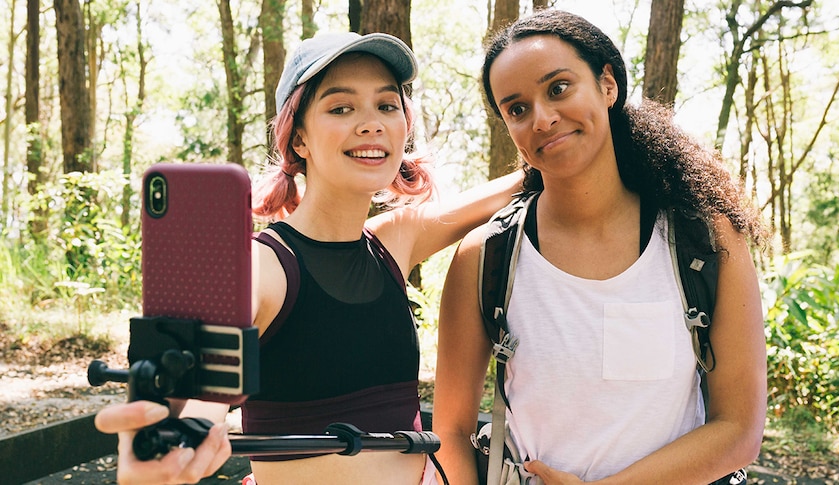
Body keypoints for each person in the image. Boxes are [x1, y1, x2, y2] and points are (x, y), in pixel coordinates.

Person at [94, 31, 523, 485]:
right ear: (298, 138)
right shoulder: (262, 267)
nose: (371, 123)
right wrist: (179, 432)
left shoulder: (395, 240)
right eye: (341, 108)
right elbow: (200, 396)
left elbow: (528, 178)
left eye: (386, 105)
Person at [432, 9, 767, 485]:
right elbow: (451, 429)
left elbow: (739, 430)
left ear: (607, 85)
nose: (543, 118)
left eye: (558, 88)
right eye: (517, 108)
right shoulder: (486, 257)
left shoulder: (703, 241)